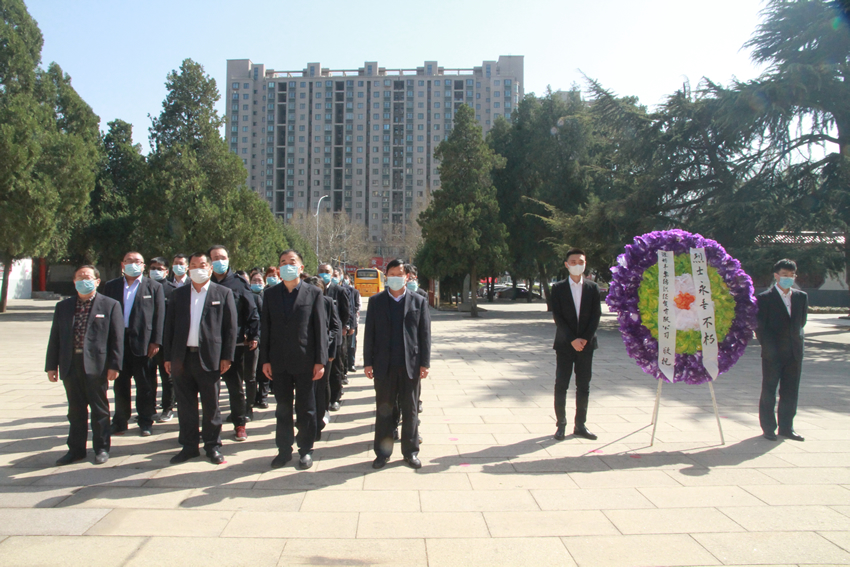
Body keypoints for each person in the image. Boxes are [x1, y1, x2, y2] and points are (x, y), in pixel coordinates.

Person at [163, 252, 238, 465]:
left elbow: (230, 328)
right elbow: (168, 327)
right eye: (193, 265)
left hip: (209, 358)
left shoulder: (222, 293)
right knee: (185, 405)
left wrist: (227, 356)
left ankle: (213, 446)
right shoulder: (178, 294)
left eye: (202, 265)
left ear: (210, 268)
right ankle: (189, 446)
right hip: (182, 357)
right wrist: (168, 357)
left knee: (211, 405)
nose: (198, 269)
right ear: (188, 269)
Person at [45, 265, 124, 465]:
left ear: (97, 281)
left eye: (88, 277)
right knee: (75, 410)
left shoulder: (110, 305)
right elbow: (55, 337)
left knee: (99, 409)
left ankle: (102, 448)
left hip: (97, 365)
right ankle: (76, 450)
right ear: (74, 282)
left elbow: (117, 338)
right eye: (79, 277)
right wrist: (51, 365)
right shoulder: (63, 306)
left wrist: (115, 365)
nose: (83, 280)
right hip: (70, 363)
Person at [261, 249, 328, 469]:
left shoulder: (313, 293)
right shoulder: (270, 294)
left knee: (306, 408)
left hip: (305, 360)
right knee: (282, 408)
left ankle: (306, 449)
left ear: (300, 267)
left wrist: (320, 361)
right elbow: (266, 329)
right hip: (279, 361)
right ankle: (283, 450)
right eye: (283, 262)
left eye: (292, 262)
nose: (287, 266)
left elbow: (320, 329)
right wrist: (265, 360)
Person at [365, 259, 431, 470]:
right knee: (384, 410)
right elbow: (369, 334)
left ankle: (410, 452)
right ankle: (382, 453)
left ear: (407, 277)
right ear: (386, 276)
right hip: (384, 365)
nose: (395, 278)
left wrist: (425, 363)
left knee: (410, 410)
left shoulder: (418, 301)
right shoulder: (376, 301)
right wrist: (367, 362)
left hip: (410, 365)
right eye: (391, 274)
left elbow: (424, 335)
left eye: (399, 274)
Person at [103, 251, 165, 437]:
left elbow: (159, 316)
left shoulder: (153, 286)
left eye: (137, 261)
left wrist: (156, 341)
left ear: (143, 266)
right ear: (122, 264)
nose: (133, 264)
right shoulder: (111, 286)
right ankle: (120, 421)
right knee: (120, 385)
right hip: (118, 343)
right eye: (129, 261)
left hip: (144, 344)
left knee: (145, 385)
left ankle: (145, 421)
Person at [208, 245, 260, 442]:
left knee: (235, 387)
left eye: (222, 257)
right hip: (208, 344)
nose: (219, 261)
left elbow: (251, 311)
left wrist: (253, 335)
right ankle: (210, 426)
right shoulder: (203, 283)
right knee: (209, 389)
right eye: (215, 258)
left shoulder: (238, 283)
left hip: (233, 344)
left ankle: (240, 423)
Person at [550, 248, 602, 441]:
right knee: (561, 384)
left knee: (583, 386)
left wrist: (584, 339)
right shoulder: (558, 288)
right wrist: (572, 339)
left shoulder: (592, 288)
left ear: (585, 264)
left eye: (581, 261)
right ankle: (561, 424)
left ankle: (580, 425)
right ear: (566, 265)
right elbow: (558, 317)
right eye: (573, 262)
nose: (577, 265)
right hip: (565, 344)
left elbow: (596, 316)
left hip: (586, 345)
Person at [757, 259, 808, 442]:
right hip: (773, 353)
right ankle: (768, 427)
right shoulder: (764, 298)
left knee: (790, 391)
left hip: (794, 352)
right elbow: (760, 328)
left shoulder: (801, 297)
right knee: (769, 390)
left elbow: (801, 322)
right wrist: (769, 349)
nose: (789, 278)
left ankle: (786, 427)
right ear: (776, 276)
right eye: (785, 275)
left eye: (792, 275)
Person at [305, 275, 341, 441]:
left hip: (324, 353)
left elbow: (335, 327)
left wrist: (330, 350)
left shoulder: (328, 302)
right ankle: (305, 422)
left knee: (321, 386)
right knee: (306, 388)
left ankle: (320, 418)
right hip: (304, 353)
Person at [149, 257, 178, 423]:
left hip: (166, 341)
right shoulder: (144, 287)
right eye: (153, 268)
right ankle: (149, 408)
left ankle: (168, 408)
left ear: (167, 272)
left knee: (167, 377)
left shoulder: (172, 291)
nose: (155, 271)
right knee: (147, 377)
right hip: (146, 341)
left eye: (159, 268)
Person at [318, 263, 349, 411]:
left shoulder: (339, 291)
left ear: (332, 274)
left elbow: (345, 312)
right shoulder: (313, 289)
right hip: (319, 338)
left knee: (335, 369)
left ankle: (335, 398)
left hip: (334, 336)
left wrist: (342, 328)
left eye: (327, 271)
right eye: (321, 271)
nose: (324, 274)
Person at [244, 270, 265, 420]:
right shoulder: (230, 295)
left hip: (253, 342)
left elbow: (260, 320)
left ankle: (249, 406)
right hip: (236, 343)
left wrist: (254, 336)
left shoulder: (256, 299)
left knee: (251, 376)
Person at [343, 273, 361, 374]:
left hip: (352, 322)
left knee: (351, 345)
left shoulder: (354, 291)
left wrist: (353, 324)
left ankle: (351, 363)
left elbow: (356, 307)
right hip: (342, 325)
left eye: (346, 278)